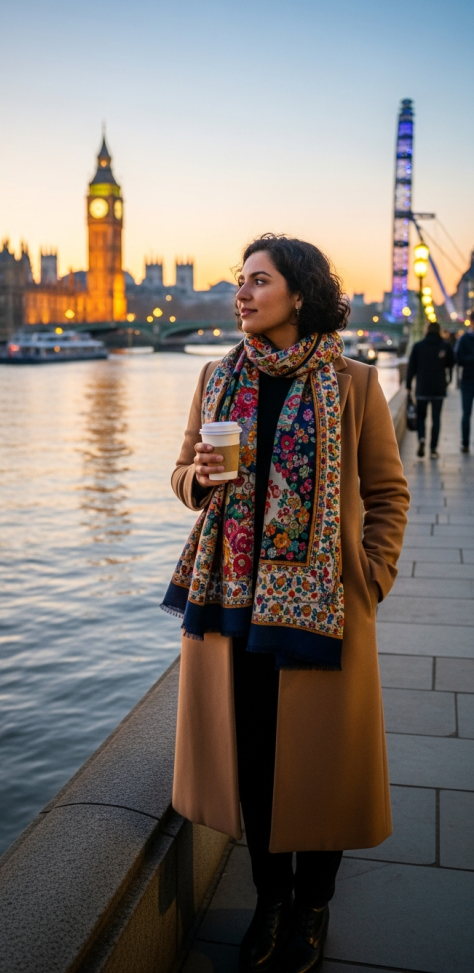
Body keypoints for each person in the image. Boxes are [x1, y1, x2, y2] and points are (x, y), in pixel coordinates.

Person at [162, 235, 409, 973]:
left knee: (322, 760)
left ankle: (312, 905)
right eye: (238, 282)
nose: (241, 293)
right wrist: (198, 482)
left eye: (257, 281)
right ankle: (270, 900)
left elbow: (389, 493)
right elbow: (180, 476)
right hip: (233, 599)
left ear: (298, 294)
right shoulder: (214, 379)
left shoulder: (354, 384)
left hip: (322, 602)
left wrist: (372, 576)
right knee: (258, 758)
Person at [406, 322, 455, 458]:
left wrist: (409, 385)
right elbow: (451, 363)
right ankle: (433, 449)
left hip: (422, 388)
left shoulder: (418, 346)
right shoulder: (444, 346)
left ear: (426, 330)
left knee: (421, 417)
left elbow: (411, 368)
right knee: (436, 419)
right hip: (438, 388)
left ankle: (421, 438)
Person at [455, 314, 474, 453]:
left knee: (466, 413)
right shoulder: (464, 339)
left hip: (467, 379)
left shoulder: (464, 339)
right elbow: (458, 358)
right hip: (468, 380)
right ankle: (465, 442)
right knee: (466, 413)